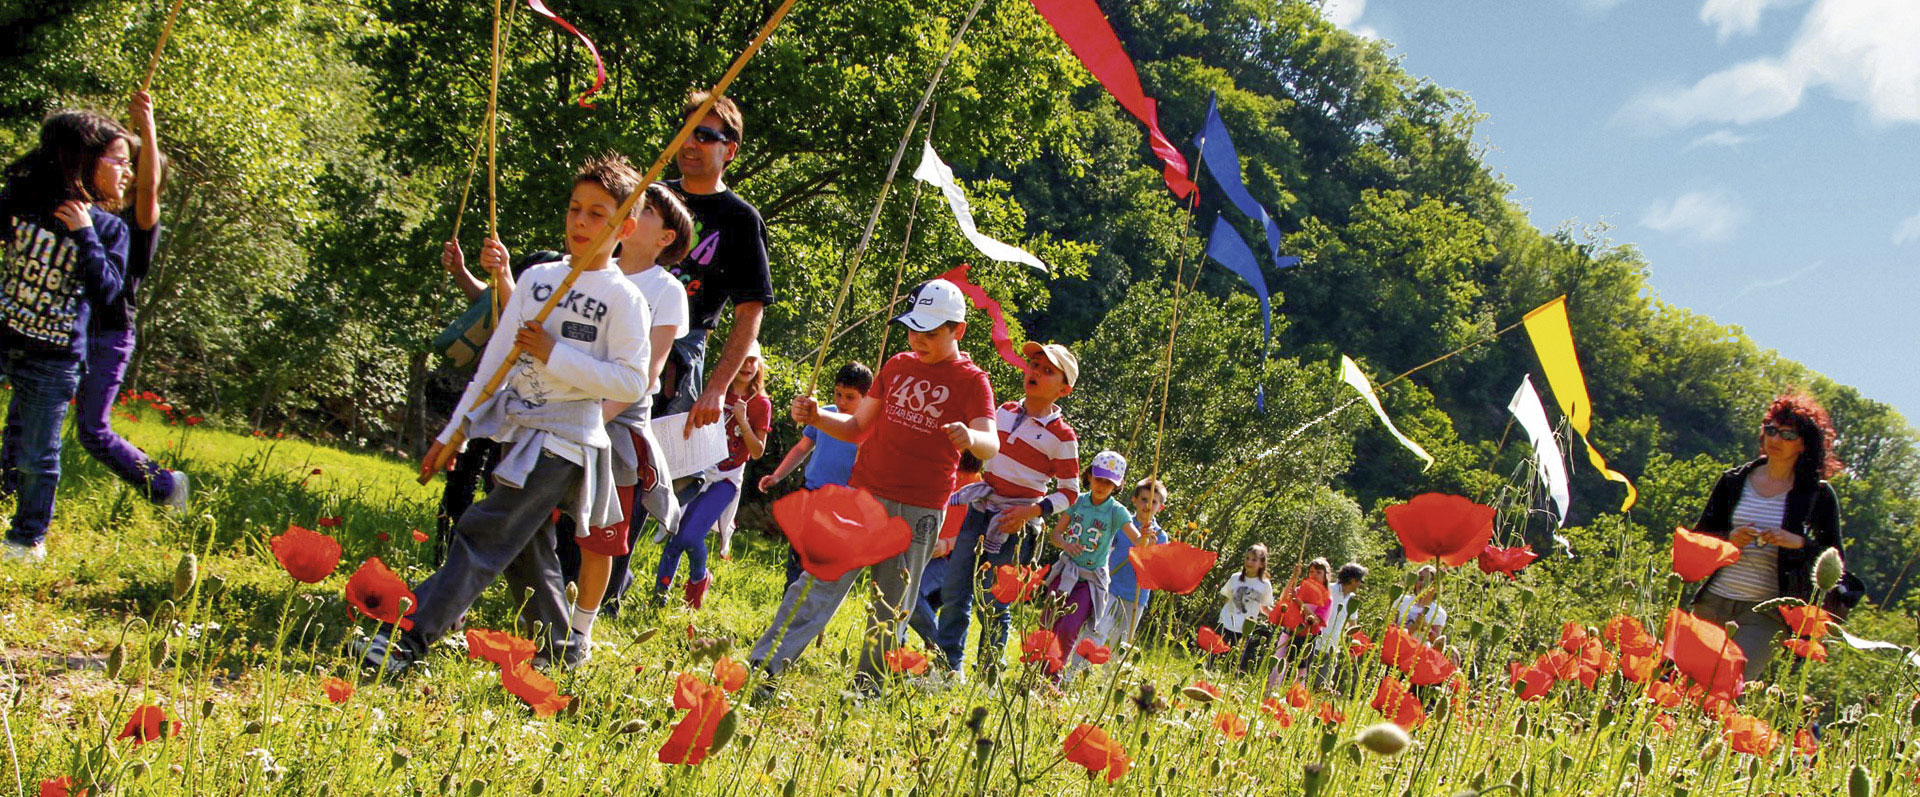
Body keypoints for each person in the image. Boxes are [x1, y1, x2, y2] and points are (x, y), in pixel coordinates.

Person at [359, 155, 651, 673]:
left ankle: (408, 637)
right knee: (525, 549)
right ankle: (559, 650)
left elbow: (631, 380)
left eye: (598, 214)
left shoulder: (624, 298)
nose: (581, 222)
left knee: (484, 531)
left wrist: (553, 354)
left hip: (566, 442)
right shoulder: (539, 279)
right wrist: (456, 431)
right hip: (519, 432)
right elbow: (496, 361)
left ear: (624, 227)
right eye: (575, 209)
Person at [748, 278, 997, 696]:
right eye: (913, 329)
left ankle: (867, 691)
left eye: (931, 333)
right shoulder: (897, 365)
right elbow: (859, 426)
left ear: (958, 330)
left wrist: (971, 439)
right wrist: (817, 417)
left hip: (919, 508)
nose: (918, 339)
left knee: (891, 606)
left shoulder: (973, 381)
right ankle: (765, 668)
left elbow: (990, 441)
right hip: (863, 497)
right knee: (818, 581)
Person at [558, 180, 695, 649]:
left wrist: (594, 416)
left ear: (665, 237)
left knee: (600, 532)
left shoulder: (666, 290)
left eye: (649, 209)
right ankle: (544, 607)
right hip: (564, 406)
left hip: (614, 420)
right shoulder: (593, 267)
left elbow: (647, 371)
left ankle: (581, 631)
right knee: (540, 515)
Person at [0, 109, 131, 562]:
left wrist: (86, 235)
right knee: (15, 443)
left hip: (53, 357)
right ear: (83, 160)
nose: (125, 171)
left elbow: (111, 299)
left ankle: (26, 540)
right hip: (4, 334)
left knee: (38, 454)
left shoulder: (109, 228)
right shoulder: (23, 200)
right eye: (117, 159)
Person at [932, 341, 1081, 681]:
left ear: (1064, 389)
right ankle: (946, 668)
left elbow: (1070, 493)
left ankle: (988, 676)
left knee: (995, 602)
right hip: (982, 508)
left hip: (1015, 525)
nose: (1035, 373)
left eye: (1047, 372)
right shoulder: (1005, 410)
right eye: (1034, 366)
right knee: (955, 589)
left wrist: (1032, 512)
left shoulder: (1062, 436)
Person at [1688, 391, 1844, 680]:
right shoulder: (1733, 482)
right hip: (1713, 600)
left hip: (1767, 614)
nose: (1775, 439)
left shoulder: (1817, 496)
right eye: (1771, 430)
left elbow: (1835, 557)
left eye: (1787, 434)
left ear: (1804, 445)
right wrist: (1730, 539)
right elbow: (1698, 538)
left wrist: (1797, 542)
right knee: (1686, 685)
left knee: (1730, 685)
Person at [658, 92, 774, 437]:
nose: (691, 142)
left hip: (680, 352)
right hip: (620, 335)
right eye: (687, 131)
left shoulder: (741, 220)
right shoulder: (649, 198)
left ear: (730, 151)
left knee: (655, 465)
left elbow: (750, 311)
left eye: (705, 136)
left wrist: (716, 388)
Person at [653, 341, 771, 608]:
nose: (748, 366)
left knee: (691, 536)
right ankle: (659, 599)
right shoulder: (716, 391)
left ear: (759, 366)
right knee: (675, 533)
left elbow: (757, 451)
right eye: (743, 359)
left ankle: (699, 579)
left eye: (753, 361)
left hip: (727, 480)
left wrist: (743, 420)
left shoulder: (760, 404)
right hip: (700, 470)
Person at [758, 361, 875, 587]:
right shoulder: (824, 415)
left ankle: (810, 611)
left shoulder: (868, 427)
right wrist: (777, 475)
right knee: (798, 557)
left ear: (867, 397)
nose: (841, 402)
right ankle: (789, 604)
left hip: (843, 503)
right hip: (812, 494)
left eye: (849, 397)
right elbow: (802, 448)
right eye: (838, 394)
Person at [1045, 451, 1136, 682]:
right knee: (1048, 621)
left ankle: (1053, 678)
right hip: (1067, 571)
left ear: (1117, 485)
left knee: (1069, 628)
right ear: (1089, 475)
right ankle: (1036, 669)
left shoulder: (1117, 512)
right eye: (1099, 479)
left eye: (1109, 482)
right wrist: (1066, 544)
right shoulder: (1077, 502)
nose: (1102, 485)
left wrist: (1147, 536)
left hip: (1090, 580)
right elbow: (1056, 534)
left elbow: (1138, 540)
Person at [1082, 478, 1168, 658]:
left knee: (1120, 645)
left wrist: (1150, 550)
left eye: (1153, 501)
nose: (1147, 505)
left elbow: (1156, 571)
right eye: (1144, 499)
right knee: (1096, 632)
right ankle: (1073, 672)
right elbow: (1105, 548)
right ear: (1134, 500)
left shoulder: (1160, 536)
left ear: (1161, 508)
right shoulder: (1122, 524)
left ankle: (1110, 682)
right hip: (1110, 587)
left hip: (1136, 597)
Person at [907, 453, 982, 651]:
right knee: (907, 600)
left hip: (950, 559)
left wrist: (947, 544)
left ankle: (944, 654)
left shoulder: (975, 483)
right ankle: (900, 658)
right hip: (919, 549)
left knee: (910, 597)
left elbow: (977, 534)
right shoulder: (934, 468)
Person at [1214, 544, 1273, 668]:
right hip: (1226, 623)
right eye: (1247, 558)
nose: (1249, 562)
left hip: (1245, 628)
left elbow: (1264, 608)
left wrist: (1279, 616)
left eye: (1254, 560)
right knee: (1214, 656)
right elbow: (1226, 598)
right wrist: (1221, 618)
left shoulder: (1264, 585)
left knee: (1234, 663)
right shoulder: (1235, 578)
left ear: (1262, 564)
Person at [1390, 565, 1448, 642]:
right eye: (1420, 579)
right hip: (1398, 646)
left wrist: (1425, 626)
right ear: (1415, 582)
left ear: (1436, 587)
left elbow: (1436, 641)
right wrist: (1415, 626)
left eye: (1429, 581)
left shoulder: (1439, 612)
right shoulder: (1402, 600)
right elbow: (1390, 627)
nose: (1424, 583)